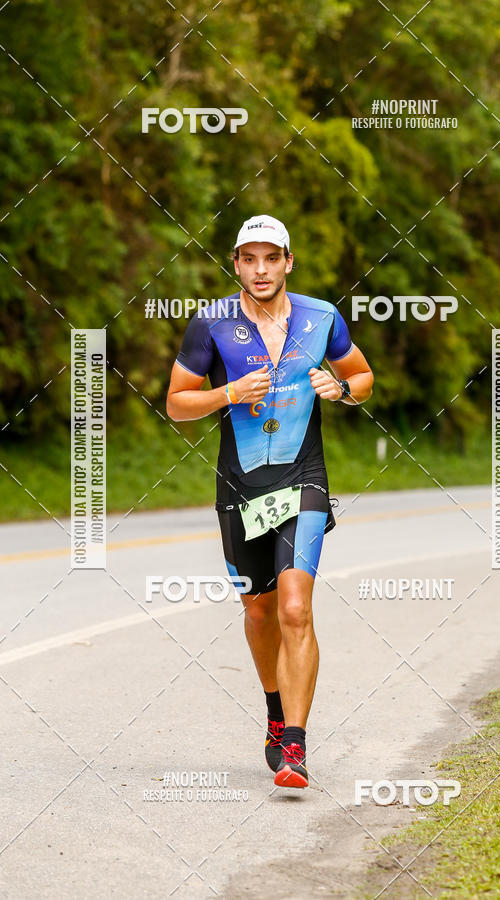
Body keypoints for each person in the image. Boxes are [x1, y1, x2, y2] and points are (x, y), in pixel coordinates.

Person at [167, 214, 374, 788]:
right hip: (239, 484)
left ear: (289, 262)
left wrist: (343, 390)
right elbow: (176, 403)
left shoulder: (321, 317)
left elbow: (361, 377)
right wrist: (228, 392)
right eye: (248, 259)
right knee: (258, 612)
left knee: (293, 608)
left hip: (303, 476)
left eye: (271, 258)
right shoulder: (211, 325)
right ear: (236, 264)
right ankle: (275, 711)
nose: (260, 270)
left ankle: (297, 749)